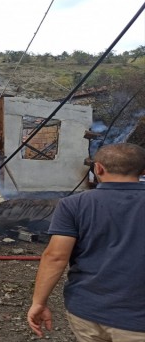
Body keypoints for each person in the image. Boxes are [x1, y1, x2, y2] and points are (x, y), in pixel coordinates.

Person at [27, 143, 145, 341]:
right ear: (143, 170)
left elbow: (55, 257)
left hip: (87, 313)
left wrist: (38, 302)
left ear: (98, 168)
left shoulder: (73, 204)